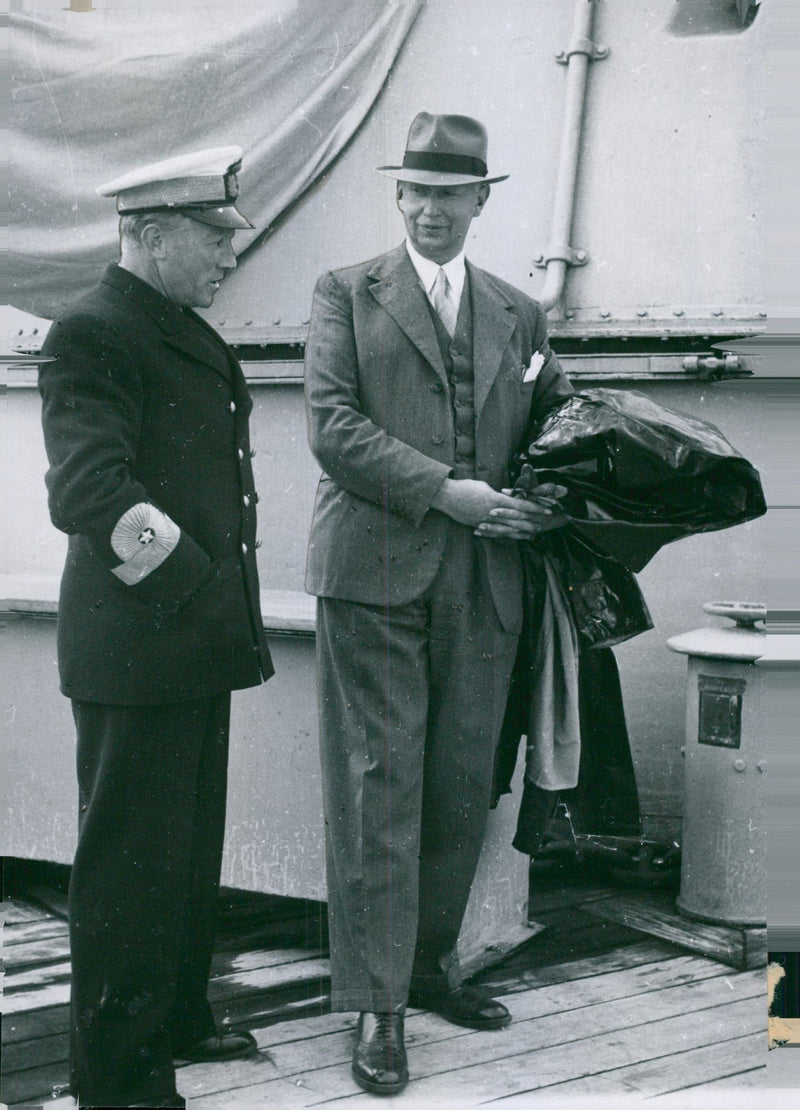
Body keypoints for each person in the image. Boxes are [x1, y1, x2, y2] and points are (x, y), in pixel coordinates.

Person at [304, 112, 573, 1096]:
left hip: (485, 577)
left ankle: (426, 966)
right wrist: (442, 490)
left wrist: (539, 504)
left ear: (478, 200)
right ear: (399, 196)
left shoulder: (518, 313)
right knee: (380, 779)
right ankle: (375, 1007)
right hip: (372, 567)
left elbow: (559, 430)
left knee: (462, 775)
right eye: (412, 190)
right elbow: (330, 428)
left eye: (446, 192)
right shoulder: (344, 294)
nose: (426, 207)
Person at [38, 146, 273, 1109]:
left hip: (191, 644)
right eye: (214, 238)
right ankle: (122, 1083)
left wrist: (210, 609)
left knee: (181, 856)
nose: (229, 256)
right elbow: (89, 488)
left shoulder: (178, 326)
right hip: (142, 645)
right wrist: (194, 587)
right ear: (151, 234)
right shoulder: (94, 330)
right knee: (131, 873)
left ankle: (176, 1022)